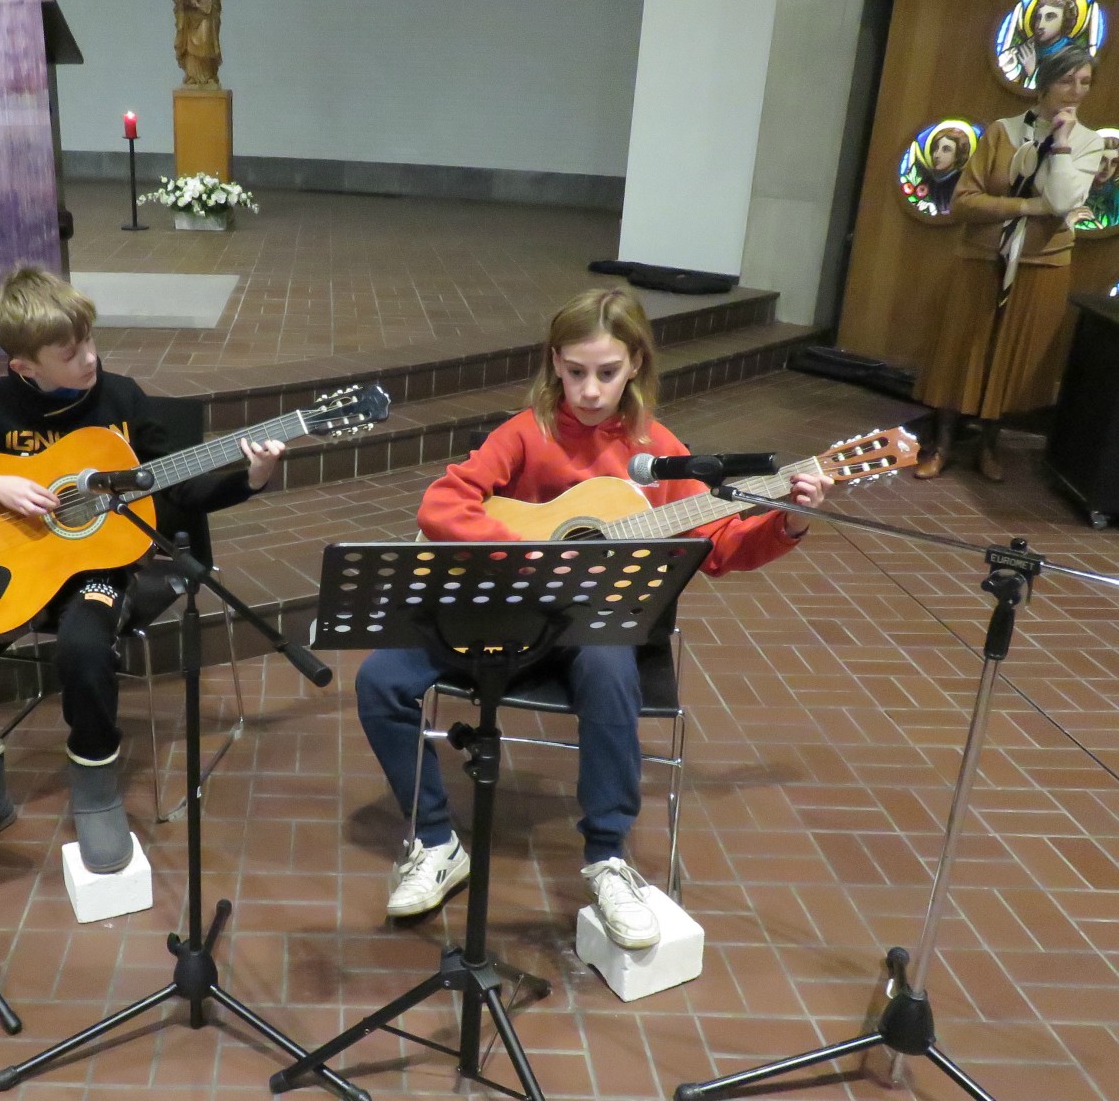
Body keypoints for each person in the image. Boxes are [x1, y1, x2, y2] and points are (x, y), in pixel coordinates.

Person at [354, 288, 831, 947]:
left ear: (635, 363)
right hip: (500, 615)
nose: (588, 389)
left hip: (587, 628)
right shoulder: (527, 432)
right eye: (575, 371)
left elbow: (720, 546)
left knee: (610, 662)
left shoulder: (658, 454)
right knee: (378, 680)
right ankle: (437, 840)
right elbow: (443, 502)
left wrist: (791, 519)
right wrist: (530, 555)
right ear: (555, 362)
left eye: (606, 372)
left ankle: (607, 855)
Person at [0, 268, 286, 873]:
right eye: (70, 353)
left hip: (101, 569)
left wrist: (250, 480)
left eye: (90, 342)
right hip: (8, 573)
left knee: (84, 650)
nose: (90, 359)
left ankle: (96, 794)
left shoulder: (123, 401)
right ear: (25, 367)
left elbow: (177, 495)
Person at [914, 43, 1104, 482]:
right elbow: (964, 202)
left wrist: (1060, 145)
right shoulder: (1003, 131)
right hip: (982, 255)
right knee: (961, 349)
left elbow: (1061, 199)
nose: (1075, 91)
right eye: (1065, 80)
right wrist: (1026, 209)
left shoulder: (1089, 142)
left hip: (1042, 262)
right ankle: (940, 444)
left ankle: (989, 444)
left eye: (1084, 82)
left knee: (1009, 357)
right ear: (1045, 83)